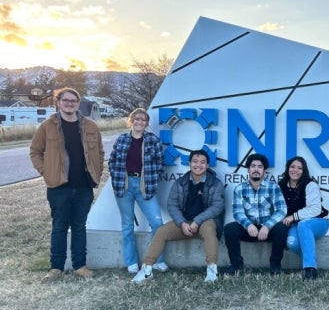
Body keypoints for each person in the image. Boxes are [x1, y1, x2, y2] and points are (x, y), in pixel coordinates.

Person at [29, 87, 104, 283]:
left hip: (83, 186)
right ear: (58, 102)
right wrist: (46, 172)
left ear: (78, 103)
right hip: (58, 187)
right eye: (66, 100)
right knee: (59, 226)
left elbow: (100, 152)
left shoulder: (91, 126)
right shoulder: (47, 126)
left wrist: (97, 173)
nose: (70, 103)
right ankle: (56, 268)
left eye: (74, 100)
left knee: (79, 226)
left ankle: (80, 266)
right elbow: (35, 152)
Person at [131, 150, 225, 283]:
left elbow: (217, 207)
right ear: (190, 163)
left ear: (208, 165)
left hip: (204, 223)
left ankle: (212, 270)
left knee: (209, 228)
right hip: (184, 223)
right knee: (161, 231)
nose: (198, 165)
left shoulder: (215, 183)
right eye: (195, 162)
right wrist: (182, 223)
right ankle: (147, 269)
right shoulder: (180, 182)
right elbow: (172, 205)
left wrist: (197, 221)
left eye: (203, 162)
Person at [108, 108, 168, 274]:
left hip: (144, 186)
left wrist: (152, 178)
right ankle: (131, 262)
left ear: (147, 124)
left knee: (156, 223)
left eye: (143, 120)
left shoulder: (152, 141)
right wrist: (116, 176)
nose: (140, 122)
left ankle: (156, 260)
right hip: (124, 185)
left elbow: (160, 162)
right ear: (131, 121)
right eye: (137, 119)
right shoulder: (121, 139)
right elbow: (112, 161)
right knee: (127, 225)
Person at [223, 154, 289, 275]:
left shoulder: (273, 187)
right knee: (229, 229)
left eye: (260, 167)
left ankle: (275, 267)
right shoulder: (239, 189)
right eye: (253, 166)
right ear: (248, 169)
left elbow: (282, 210)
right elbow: (237, 212)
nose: (256, 169)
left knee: (282, 229)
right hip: (249, 230)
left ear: (264, 170)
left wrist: (267, 226)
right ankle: (236, 267)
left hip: (267, 230)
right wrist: (248, 225)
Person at [278, 156, 329, 280]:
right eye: (292, 167)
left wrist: (293, 216)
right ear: (288, 168)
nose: (295, 170)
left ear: (304, 170)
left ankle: (310, 270)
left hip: (318, 222)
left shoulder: (310, 184)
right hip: (297, 224)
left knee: (304, 224)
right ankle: (312, 261)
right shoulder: (281, 185)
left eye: (299, 168)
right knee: (291, 242)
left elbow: (315, 209)